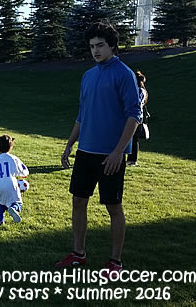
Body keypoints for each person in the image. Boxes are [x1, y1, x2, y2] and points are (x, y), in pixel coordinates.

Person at [56, 21, 142, 275]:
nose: (95, 50)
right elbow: (82, 115)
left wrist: (119, 151)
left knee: (113, 207)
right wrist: (70, 144)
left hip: (110, 155)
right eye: (92, 46)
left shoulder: (124, 74)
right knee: (78, 202)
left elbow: (134, 115)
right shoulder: (89, 75)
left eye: (100, 45)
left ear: (112, 45)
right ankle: (78, 254)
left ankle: (115, 262)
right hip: (86, 152)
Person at [0, 135, 29, 225]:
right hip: (11, 184)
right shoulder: (13, 158)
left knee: (0, 203)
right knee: (17, 201)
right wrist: (24, 174)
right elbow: (23, 170)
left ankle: (1, 220)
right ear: (10, 147)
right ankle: (14, 208)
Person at [127, 71, 148, 166]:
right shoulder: (142, 91)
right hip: (137, 116)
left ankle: (132, 159)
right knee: (132, 138)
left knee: (133, 138)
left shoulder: (139, 91)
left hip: (135, 117)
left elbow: (136, 103)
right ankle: (131, 159)